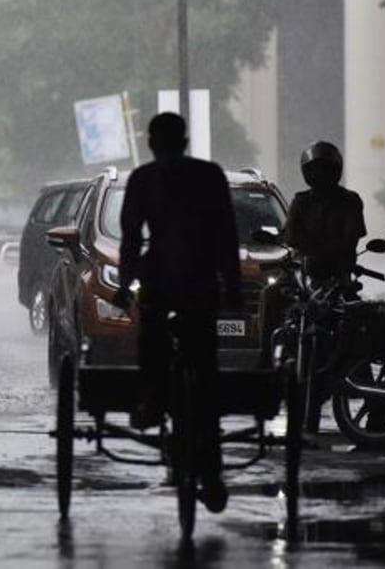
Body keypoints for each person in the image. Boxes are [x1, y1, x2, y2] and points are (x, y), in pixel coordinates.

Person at [109, 113, 240, 514]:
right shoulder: (209, 175)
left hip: (163, 280)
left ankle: (151, 398)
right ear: (184, 141)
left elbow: (132, 239)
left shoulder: (144, 180)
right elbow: (226, 235)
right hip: (198, 281)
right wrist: (230, 285)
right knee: (205, 364)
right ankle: (211, 468)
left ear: (152, 143)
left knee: (153, 342)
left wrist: (123, 285)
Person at [285, 141, 367, 282]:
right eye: (315, 169)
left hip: (339, 271)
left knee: (350, 300)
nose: (321, 174)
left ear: (335, 171)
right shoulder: (300, 201)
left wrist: (315, 248)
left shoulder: (350, 201)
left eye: (326, 169)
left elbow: (350, 239)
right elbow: (291, 237)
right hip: (304, 270)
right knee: (271, 294)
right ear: (307, 172)